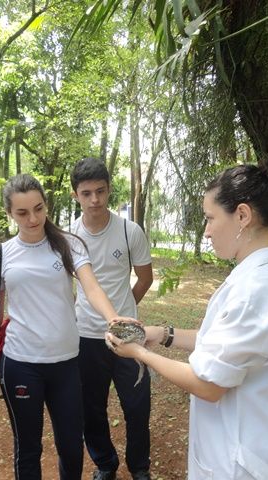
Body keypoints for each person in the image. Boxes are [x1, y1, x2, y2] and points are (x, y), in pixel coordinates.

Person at [108, 151, 268, 480]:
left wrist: (139, 353)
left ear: (242, 215)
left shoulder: (258, 288)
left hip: (243, 463)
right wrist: (163, 333)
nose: (206, 231)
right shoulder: (258, 276)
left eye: (211, 218)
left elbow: (209, 384)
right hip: (247, 449)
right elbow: (226, 348)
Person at [0, 174, 136, 480]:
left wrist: (112, 317)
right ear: (9, 213)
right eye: (22, 213)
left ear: (46, 205)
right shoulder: (0, 255)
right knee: (27, 448)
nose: (33, 218)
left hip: (66, 362)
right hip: (20, 363)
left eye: (38, 209)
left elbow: (92, 287)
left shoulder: (68, 244)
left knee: (71, 446)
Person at [70, 158, 154, 480]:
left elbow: (145, 278)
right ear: (76, 194)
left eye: (101, 191)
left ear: (108, 189)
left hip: (128, 335)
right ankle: (105, 463)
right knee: (91, 407)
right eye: (87, 193)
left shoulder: (129, 231)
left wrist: (124, 315)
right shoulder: (69, 237)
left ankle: (139, 466)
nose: (95, 200)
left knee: (137, 405)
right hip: (86, 336)